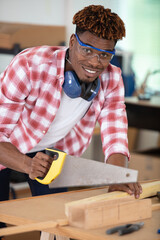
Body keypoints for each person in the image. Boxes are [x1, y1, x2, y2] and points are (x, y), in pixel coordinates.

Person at [0, 5, 142, 201]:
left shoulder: (112, 78)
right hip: (7, 145)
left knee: (55, 219)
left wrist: (118, 176)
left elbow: (115, 135)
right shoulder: (29, 65)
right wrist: (26, 164)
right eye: (87, 51)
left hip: (51, 151)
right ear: (73, 41)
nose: (95, 62)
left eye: (104, 55)